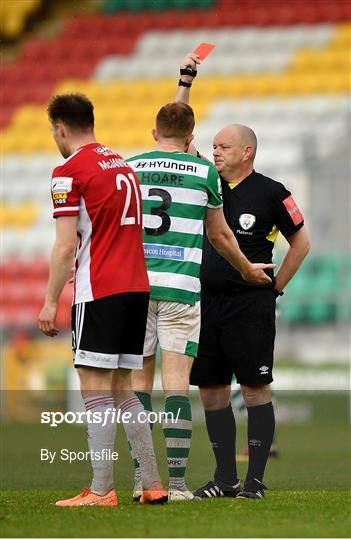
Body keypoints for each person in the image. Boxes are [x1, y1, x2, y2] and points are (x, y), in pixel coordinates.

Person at [175, 54, 311, 499]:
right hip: (207, 304)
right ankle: (225, 478)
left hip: (250, 305)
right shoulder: (205, 180)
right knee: (212, 392)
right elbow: (176, 134)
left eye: (223, 147)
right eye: (212, 146)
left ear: (247, 152)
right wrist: (185, 83)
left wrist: (276, 288)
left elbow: (301, 243)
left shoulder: (273, 192)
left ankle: (254, 480)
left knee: (255, 390)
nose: (214, 152)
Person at [126, 101, 275, 501]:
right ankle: (176, 485)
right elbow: (220, 236)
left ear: (154, 133)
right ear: (191, 138)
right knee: (176, 386)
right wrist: (246, 269)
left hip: (137, 289)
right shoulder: (202, 171)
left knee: (138, 385)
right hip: (182, 291)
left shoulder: (131, 168)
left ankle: (144, 480)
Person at [38, 93, 167, 506]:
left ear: (60, 127)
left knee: (94, 388)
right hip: (136, 287)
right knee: (123, 389)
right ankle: (151, 482)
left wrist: (48, 301)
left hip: (100, 289)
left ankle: (100, 489)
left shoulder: (68, 171)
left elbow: (63, 247)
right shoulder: (122, 165)